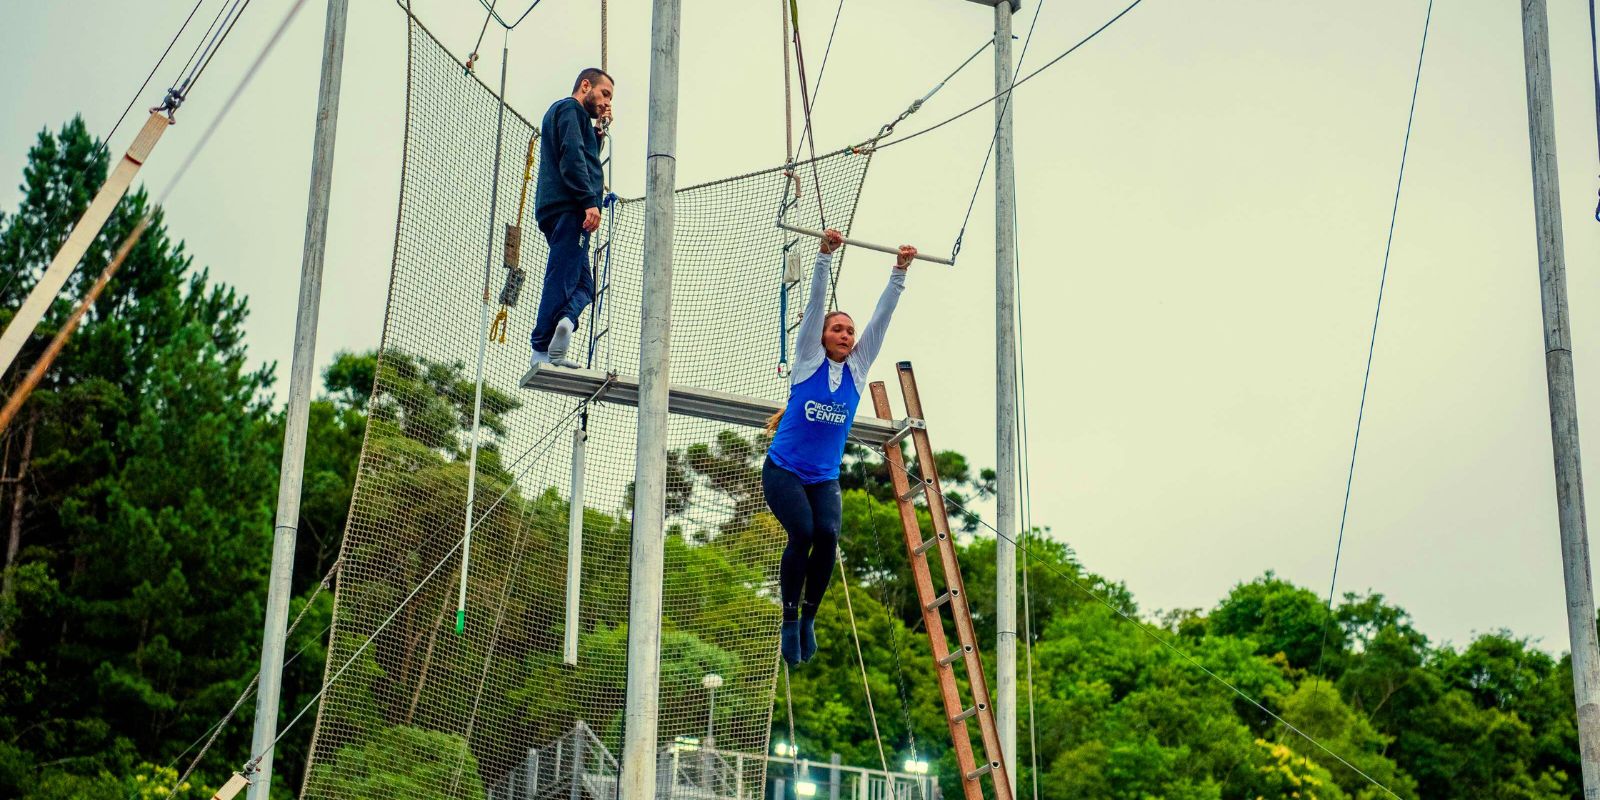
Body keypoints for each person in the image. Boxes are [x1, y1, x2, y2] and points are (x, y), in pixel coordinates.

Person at [764, 228, 917, 665]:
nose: (847, 335)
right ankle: (789, 617)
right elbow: (815, 306)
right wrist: (823, 257)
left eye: (850, 331)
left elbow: (881, 320)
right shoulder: (808, 360)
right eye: (838, 329)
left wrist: (899, 272)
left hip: (823, 478)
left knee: (829, 536)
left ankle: (809, 618)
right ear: (823, 336)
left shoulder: (858, 368)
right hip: (784, 470)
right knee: (803, 533)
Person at [530, 67, 614, 368]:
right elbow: (573, 156)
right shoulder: (570, 109)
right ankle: (541, 347)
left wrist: (598, 132)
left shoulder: (570, 117)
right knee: (561, 277)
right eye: (605, 94)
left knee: (585, 286)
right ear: (586, 86)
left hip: (562, 206)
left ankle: (564, 324)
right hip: (570, 207)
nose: (607, 102)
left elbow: (584, 152)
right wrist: (589, 202)